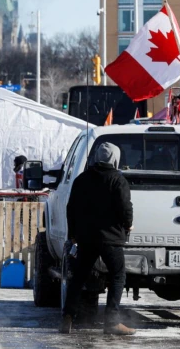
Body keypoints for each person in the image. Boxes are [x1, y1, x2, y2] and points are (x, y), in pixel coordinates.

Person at [61, 142, 135, 336]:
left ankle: (67, 318)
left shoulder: (81, 180)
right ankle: (111, 322)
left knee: (78, 278)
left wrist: (73, 234)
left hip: (86, 238)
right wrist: (128, 224)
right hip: (111, 239)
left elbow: (71, 209)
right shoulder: (118, 181)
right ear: (115, 159)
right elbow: (125, 208)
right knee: (118, 276)